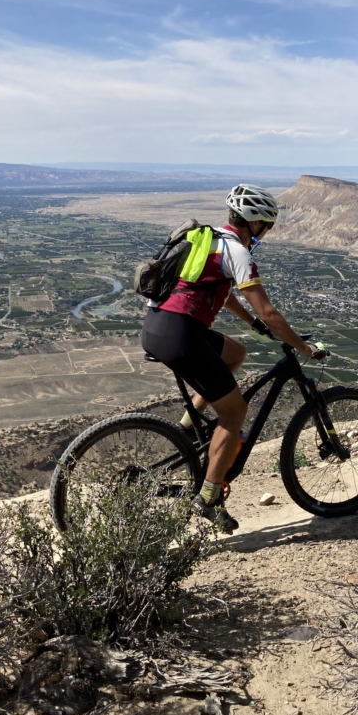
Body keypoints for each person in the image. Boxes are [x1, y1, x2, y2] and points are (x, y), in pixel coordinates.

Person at [140, 184, 327, 533]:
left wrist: (251, 324)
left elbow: (223, 296)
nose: (266, 234)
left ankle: (187, 429)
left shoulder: (208, 240)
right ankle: (208, 498)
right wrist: (304, 348)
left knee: (236, 353)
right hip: (181, 336)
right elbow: (270, 312)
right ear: (256, 224)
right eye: (266, 227)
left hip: (158, 327)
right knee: (235, 411)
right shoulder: (237, 252)